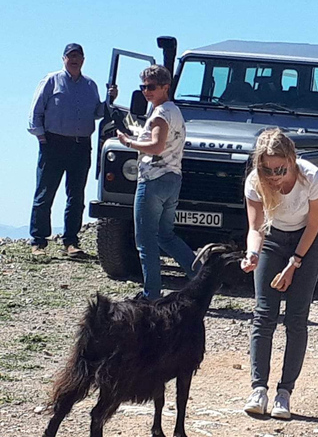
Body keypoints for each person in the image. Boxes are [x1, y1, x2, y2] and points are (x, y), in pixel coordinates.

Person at [240, 128, 318, 420]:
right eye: (268, 169)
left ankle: (284, 392)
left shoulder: (313, 178)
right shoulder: (256, 182)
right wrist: (252, 254)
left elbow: (314, 225)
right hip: (273, 239)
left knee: (295, 318)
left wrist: (294, 264)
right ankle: (258, 389)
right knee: (264, 314)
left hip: (307, 241)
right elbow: (256, 228)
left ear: (292, 160)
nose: (275, 176)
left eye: (280, 169)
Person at [27, 43, 117, 258]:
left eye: (78, 56)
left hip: (81, 145)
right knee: (45, 194)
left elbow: (97, 112)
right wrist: (42, 138)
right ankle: (38, 242)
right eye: (70, 56)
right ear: (64, 59)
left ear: (83, 60)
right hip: (54, 144)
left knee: (76, 196)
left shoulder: (90, 85)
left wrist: (110, 100)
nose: (74, 59)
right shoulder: (51, 80)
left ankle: (71, 242)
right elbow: (35, 112)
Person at [115, 65, 196, 300]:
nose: (146, 91)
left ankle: (151, 293)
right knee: (165, 235)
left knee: (146, 240)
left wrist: (129, 142)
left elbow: (157, 146)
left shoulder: (160, 114)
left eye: (151, 87)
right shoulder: (175, 111)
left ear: (165, 87)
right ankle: (201, 276)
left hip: (153, 179)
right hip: (172, 178)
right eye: (143, 87)